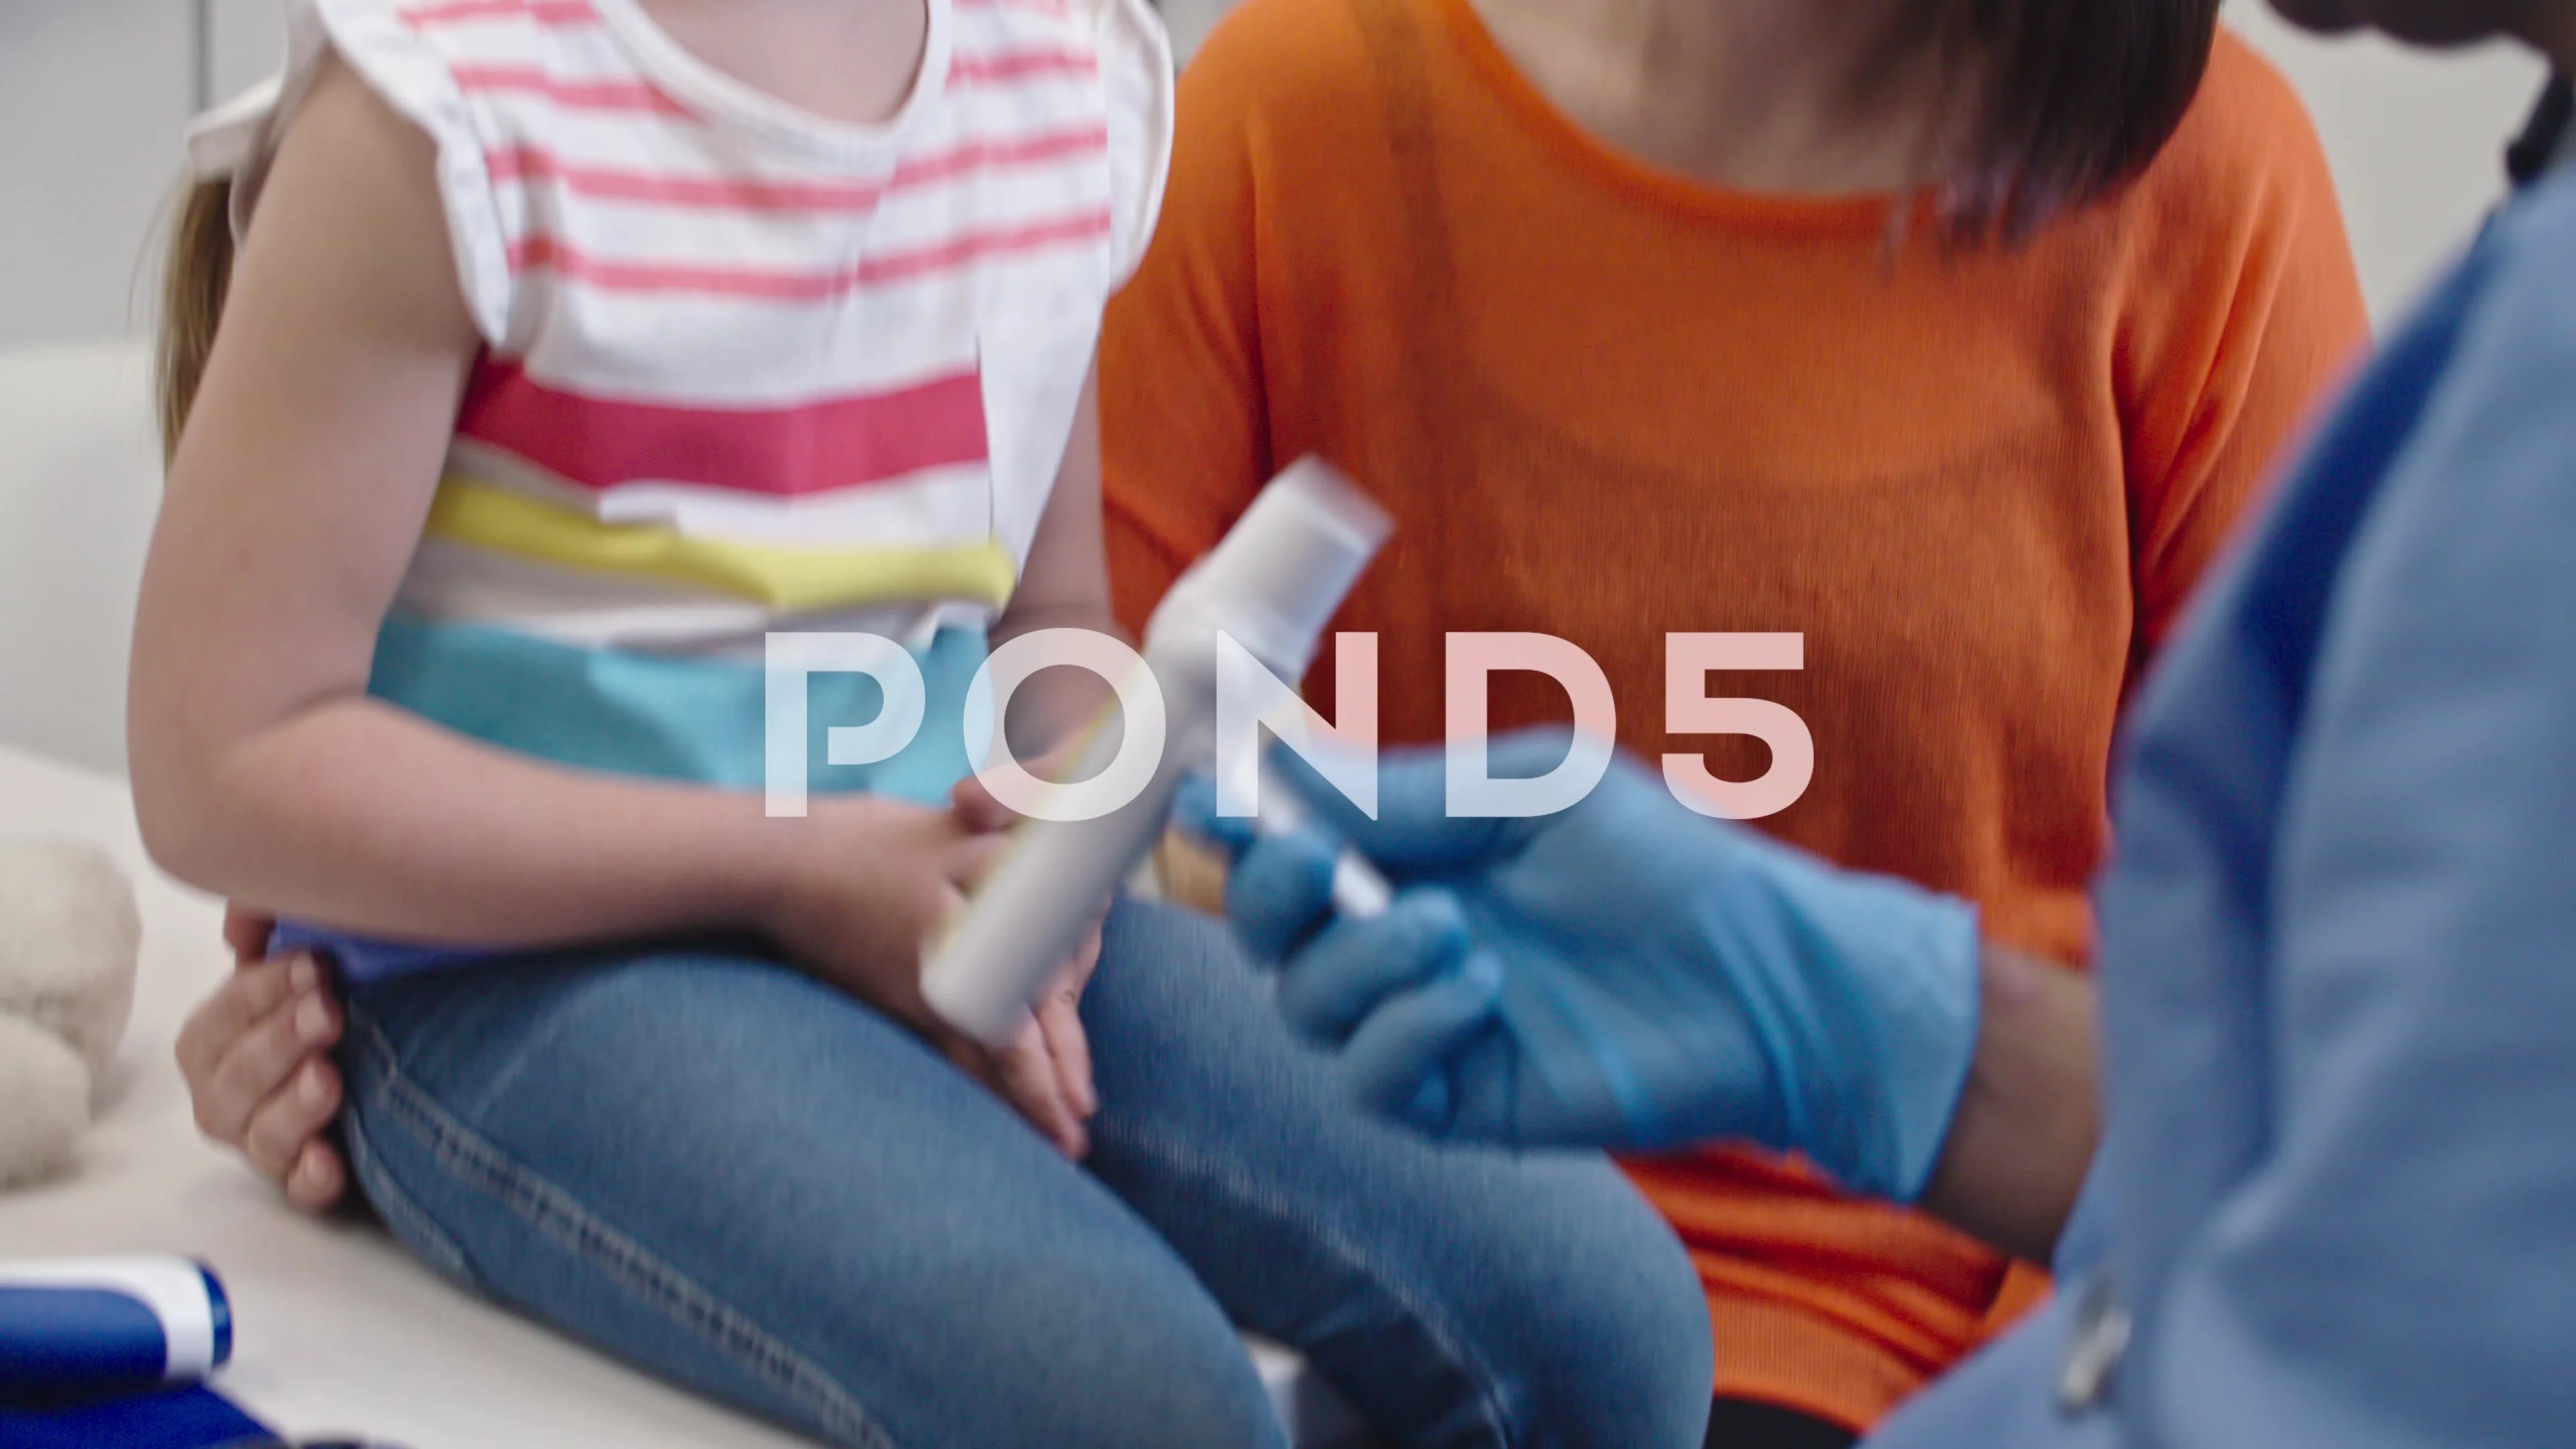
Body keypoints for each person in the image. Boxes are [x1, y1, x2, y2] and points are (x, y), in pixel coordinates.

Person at [129, 1, 1716, 1445]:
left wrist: (1061, 850)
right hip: (520, 971)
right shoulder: (442, 105)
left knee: (1611, 1322)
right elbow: (225, 760)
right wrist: (793, 868)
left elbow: (1049, 635)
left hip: (933, 904)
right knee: (1133, 1410)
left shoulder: (1054, 68)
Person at [1195, 9, 2576, 1442]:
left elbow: (2380, 1313)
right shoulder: (1299, 108)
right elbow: (2339, 1151)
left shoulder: (2446, 344)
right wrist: (1896, 1037)